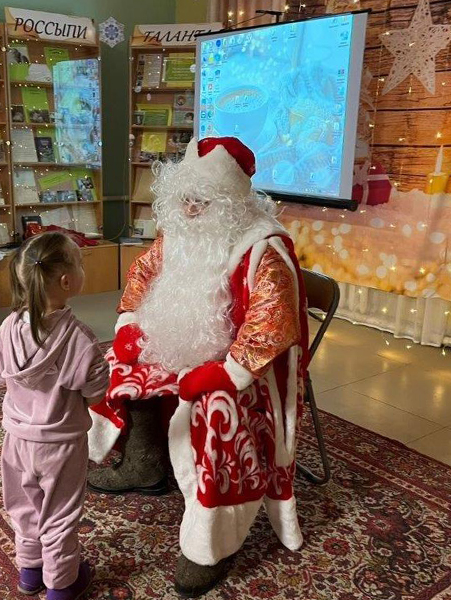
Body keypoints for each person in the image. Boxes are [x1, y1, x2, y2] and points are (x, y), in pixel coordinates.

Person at [87, 137, 309, 597]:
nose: (189, 209)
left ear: (229, 202)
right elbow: (143, 274)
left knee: (216, 411)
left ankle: (210, 544)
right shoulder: (179, 233)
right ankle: (145, 463)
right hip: (179, 341)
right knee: (121, 364)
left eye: (200, 201)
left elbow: (273, 323)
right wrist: (130, 322)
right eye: (183, 198)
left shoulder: (263, 249)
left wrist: (228, 371)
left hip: (241, 366)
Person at [0, 232, 109, 600]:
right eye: (81, 264)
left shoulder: (6, 329)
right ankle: (61, 584)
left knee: (23, 506)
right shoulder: (80, 339)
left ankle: (29, 570)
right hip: (61, 447)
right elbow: (96, 391)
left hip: (16, 441)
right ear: (67, 282)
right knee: (60, 514)